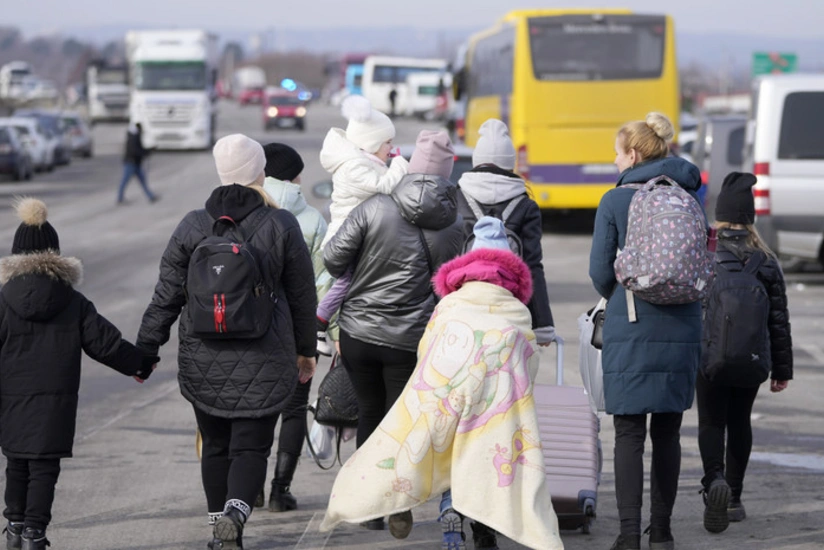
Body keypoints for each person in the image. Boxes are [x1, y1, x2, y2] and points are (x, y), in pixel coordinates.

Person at [320, 217, 565, 550]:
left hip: (447, 393)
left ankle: (448, 509)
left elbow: (427, 352)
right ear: (509, 269)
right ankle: (484, 529)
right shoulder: (516, 309)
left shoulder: (450, 305)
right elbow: (528, 363)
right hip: (496, 402)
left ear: (467, 265)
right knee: (486, 453)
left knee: (444, 445)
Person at [135, 134, 317, 550]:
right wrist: (305, 351)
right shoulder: (282, 224)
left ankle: (218, 525)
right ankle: (236, 514)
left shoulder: (192, 225)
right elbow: (303, 295)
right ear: (260, 172)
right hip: (266, 355)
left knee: (215, 444)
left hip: (204, 356)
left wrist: (146, 350)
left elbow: (166, 294)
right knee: (251, 446)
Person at [323, 128, 464, 532]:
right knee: (399, 419)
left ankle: (369, 505)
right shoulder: (455, 226)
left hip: (358, 333)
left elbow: (333, 260)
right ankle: (398, 497)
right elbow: (452, 284)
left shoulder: (374, 208)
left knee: (369, 411)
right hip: (410, 338)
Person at [0, 198, 157, 550]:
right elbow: (105, 343)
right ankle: (34, 534)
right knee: (43, 468)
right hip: (55, 403)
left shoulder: (2, 300)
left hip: (11, 400)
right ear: (56, 256)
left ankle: (13, 527)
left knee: (17, 463)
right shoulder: (72, 301)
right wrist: (140, 364)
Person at [589, 112, 704, 550]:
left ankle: (628, 536)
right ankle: (664, 533)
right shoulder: (688, 197)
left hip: (633, 321)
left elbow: (600, 273)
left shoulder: (615, 201)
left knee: (629, 433)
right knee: (668, 433)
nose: (615, 162)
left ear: (633, 154)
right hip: (684, 323)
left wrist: (625, 289)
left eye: (617, 154)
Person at [696, 171, 792, 533]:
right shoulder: (765, 260)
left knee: (711, 421)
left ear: (719, 216)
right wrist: (782, 369)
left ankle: (713, 482)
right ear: (750, 218)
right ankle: (734, 498)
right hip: (752, 360)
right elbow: (779, 321)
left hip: (710, 358)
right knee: (739, 422)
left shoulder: (707, 254)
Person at [258, 142, 333, 512]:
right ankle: (279, 490)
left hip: (253, 330)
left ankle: (250, 487)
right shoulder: (313, 219)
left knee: (254, 409)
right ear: (294, 176)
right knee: (293, 408)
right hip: (297, 331)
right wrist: (324, 334)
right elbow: (323, 284)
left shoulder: (247, 211)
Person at [316, 94, 409, 355]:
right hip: (345, 240)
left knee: (352, 284)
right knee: (347, 282)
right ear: (371, 142)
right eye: (387, 142)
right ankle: (319, 321)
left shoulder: (363, 163)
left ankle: (326, 327)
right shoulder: (355, 167)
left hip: (354, 238)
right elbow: (382, 187)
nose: (391, 148)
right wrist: (401, 164)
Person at [117, 122, 159, 204]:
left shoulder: (134, 137)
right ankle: (120, 198)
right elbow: (136, 151)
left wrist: (148, 150)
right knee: (125, 181)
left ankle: (151, 196)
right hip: (131, 163)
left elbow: (140, 149)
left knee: (143, 181)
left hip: (136, 163)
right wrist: (147, 152)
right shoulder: (133, 138)